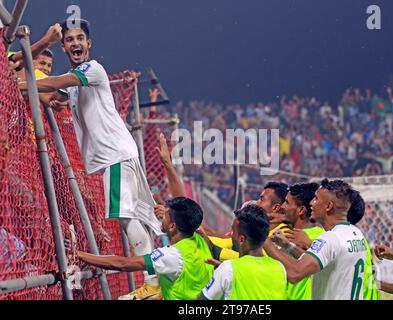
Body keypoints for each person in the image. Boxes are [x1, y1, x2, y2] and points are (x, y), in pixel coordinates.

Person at [19, 19, 163, 300]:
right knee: (133, 219)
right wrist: (29, 87)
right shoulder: (76, 83)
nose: (75, 43)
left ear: (89, 43)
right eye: (70, 40)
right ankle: (155, 280)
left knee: (126, 218)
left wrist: (23, 83)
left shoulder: (92, 69)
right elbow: (58, 94)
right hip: (117, 154)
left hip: (115, 154)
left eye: (80, 38)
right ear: (63, 46)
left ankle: (153, 285)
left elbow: (58, 82)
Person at [78, 197, 214, 300]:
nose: (161, 216)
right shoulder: (200, 239)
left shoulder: (171, 256)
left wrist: (81, 255)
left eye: (165, 215)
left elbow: (123, 264)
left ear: (173, 226)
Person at [264, 179, 369, 300]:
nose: (312, 203)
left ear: (328, 206)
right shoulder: (355, 233)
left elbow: (295, 273)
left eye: (316, 199)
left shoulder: (329, 238)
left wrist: (264, 241)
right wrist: (289, 247)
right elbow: (321, 261)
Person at [198, 205, 287, 300]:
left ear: (241, 239)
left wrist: (222, 274)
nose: (230, 235)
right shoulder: (280, 268)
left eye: (233, 231)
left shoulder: (228, 269)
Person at [270, 183, 324, 300]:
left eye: (287, 202)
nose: (282, 206)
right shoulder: (283, 234)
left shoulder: (320, 238)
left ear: (301, 210)